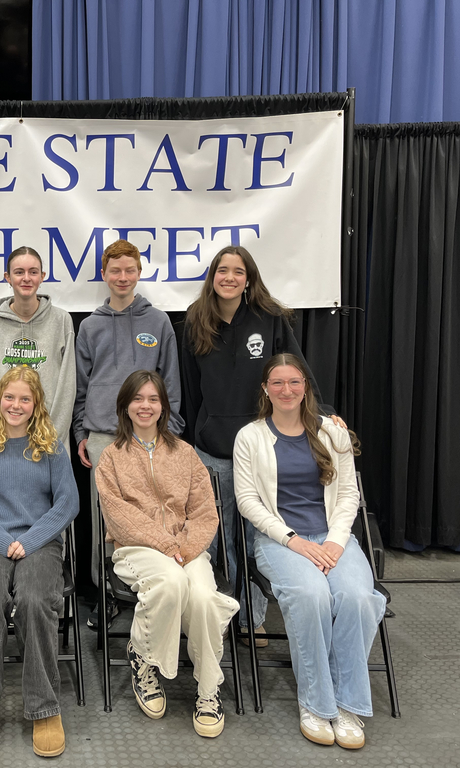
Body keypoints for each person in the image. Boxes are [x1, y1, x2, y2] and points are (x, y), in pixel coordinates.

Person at [181, 244, 342, 645]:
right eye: (222, 271)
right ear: (212, 276)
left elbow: (295, 372)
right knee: (215, 540)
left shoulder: (270, 320)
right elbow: (187, 389)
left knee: (255, 541)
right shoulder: (195, 321)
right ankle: (216, 613)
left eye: (238, 271)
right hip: (211, 450)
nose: (230, 278)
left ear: (248, 278)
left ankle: (251, 617)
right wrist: (186, 442)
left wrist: (322, 414)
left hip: (260, 450)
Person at [233, 353, 384, 750]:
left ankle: (348, 703)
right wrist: (293, 540)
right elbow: (248, 501)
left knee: (356, 598)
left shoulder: (332, 434)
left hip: (333, 538)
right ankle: (316, 704)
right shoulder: (250, 437)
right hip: (280, 542)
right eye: (278, 383)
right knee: (311, 596)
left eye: (294, 382)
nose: (287, 390)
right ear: (265, 389)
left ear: (305, 387)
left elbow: (349, 493)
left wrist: (336, 541)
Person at [95, 370, 239, 736]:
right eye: (138, 399)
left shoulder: (185, 453)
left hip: (187, 549)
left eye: (153, 399)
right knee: (172, 583)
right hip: (137, 549)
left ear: (163, 406)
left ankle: (208, 690)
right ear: (125, 406)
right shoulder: (110, 458)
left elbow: (206, 512)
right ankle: (143, 658)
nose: (145, 406)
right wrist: (167, 546)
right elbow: (119, 515)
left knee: (206, 597)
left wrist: (187, 548)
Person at [0, 367, 79, 759]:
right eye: (10, 397)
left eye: (25, 399)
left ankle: (43, 706)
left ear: (36, 404)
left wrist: (30, 540)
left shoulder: (52, 447)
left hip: (39, 544)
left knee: (36, 600)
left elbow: (67, 504)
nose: (16, 405)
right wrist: (3, 541)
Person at [73, 238, 182, 627]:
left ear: (139, 273)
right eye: (115, 270)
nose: (122, 277)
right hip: (103, 436)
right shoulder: (89, 326)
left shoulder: (158, 322)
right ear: (104, 275)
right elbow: (80, 386)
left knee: (151, 512)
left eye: (129, 270)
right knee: (105, 519)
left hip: (152, 434)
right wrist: (80, 432)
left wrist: (171, 430)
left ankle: (151, 588)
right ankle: (105, 591)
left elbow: (171, 378)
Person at [0, 245, 76, 447]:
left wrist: (52, 435)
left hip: (51, 438)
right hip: (5, 440)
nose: (26, 278)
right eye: (19, 272)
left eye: (33, 272)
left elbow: (68, 384)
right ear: (7, 277)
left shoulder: (61, 321)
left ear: (42, 276)